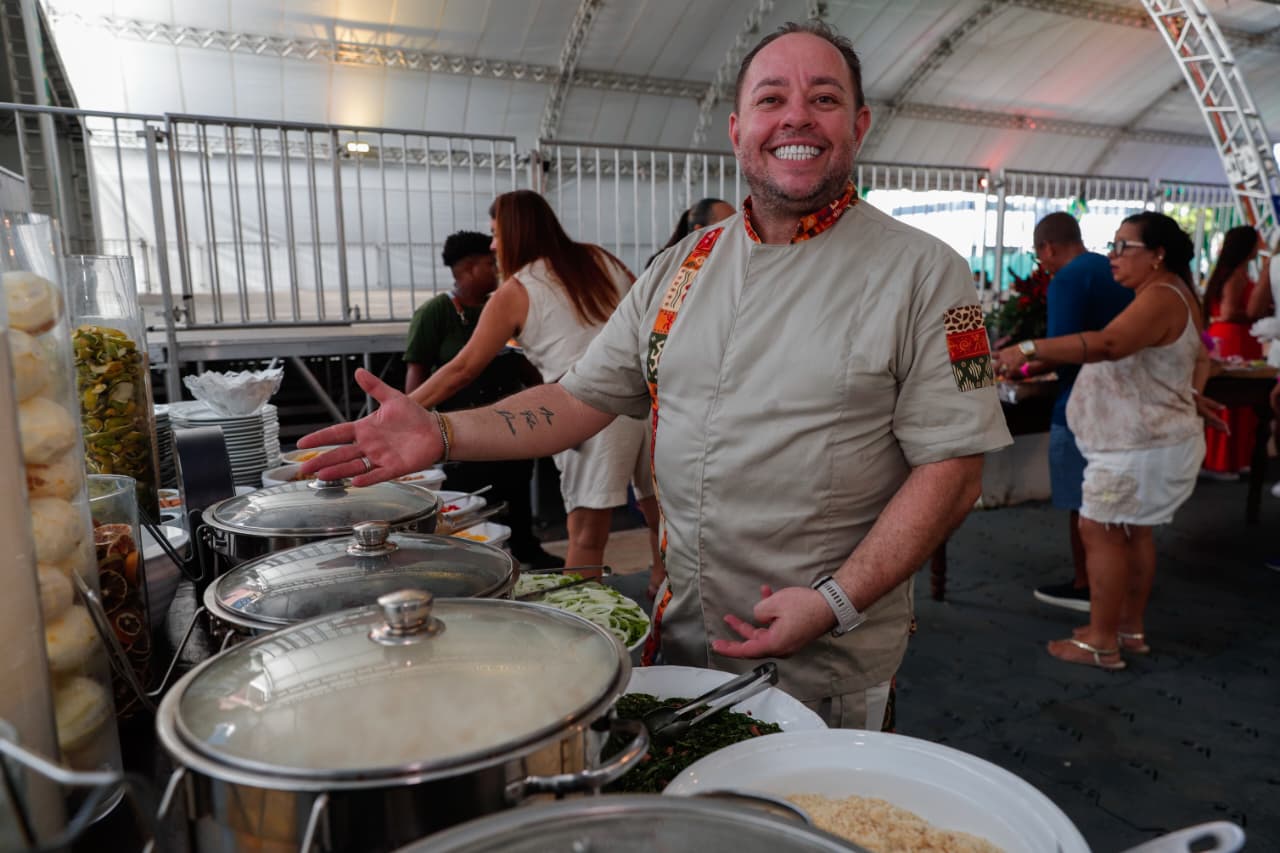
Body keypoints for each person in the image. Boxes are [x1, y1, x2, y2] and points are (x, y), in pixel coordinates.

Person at [300, 20, 1011, 728]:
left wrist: (834, 599)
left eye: (823, 98)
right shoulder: (682, 268)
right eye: (772, 99)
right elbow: (580, 398)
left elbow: (953, 467)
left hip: (825, 659)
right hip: (685, 639)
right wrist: (442, 430)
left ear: (858, 124)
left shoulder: (925, 272)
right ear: (737, 129)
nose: (796, 114)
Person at [995, 212, 1208, 670]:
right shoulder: (1168, 293)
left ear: (1158, 255)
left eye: (1122, 247)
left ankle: (1101, 641)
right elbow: (1200, 357)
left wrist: (1029, 350)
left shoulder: (1162, 296)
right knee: (1131, 532)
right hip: (1146, 439)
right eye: (1111, 245)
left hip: (1135, 444)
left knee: (1100, 530)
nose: (1111, 256)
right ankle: (1128, 629)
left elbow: (1111, 344)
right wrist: (1189, 394)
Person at [406, 191, 662, 573]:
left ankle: (584, 625)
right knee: (660, 516)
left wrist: (404, 411)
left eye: (496, 233)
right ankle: (665, 591)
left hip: (591, 411)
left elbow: (462, 369)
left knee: (587, 535)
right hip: (649, 401)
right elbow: (651, 304)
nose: (492, 244)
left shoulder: (517, 290)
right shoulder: (599, 258)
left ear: (515, 232)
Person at [403, 230, 562, 570]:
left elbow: (527, 364)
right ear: (469, 269)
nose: (498, 271)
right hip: (460, 431)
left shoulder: (504, 306)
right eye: (491, 265)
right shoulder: (436, 313)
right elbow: (416, 376)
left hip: (511, 424)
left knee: (518, 491)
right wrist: (411, 423)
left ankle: (526, 549)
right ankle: (475, 565)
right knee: (469, 504)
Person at [1022, 213, 1133, 613]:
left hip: (1081, 403)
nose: (1044, 267)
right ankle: (1124, 580)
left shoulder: (1067, 279)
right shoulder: (1113, 270)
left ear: (1048, 248)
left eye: (1041, 259)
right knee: (1118, 501)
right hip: (1126, 400)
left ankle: (1087, 584)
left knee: (1082, 500)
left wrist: (1017, 361)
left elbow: (1060, 348)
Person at [1201, 225, 1270, 478]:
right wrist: (1261, 312)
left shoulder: (1227, 273)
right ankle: (1223, 462)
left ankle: (1224, 459)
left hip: (1227, 336)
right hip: (1234, 338)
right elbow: (1229, 311)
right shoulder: (1238, 276)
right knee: (1235, 400)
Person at [645, 198, 736, 268]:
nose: (736, 230)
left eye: (736, 224)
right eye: (728, 225)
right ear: (700, 231)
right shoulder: (674, 267)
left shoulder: (735, 261)